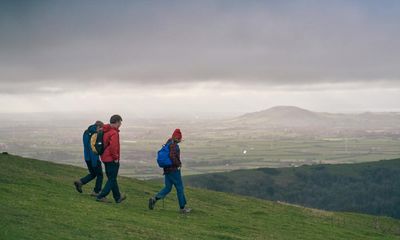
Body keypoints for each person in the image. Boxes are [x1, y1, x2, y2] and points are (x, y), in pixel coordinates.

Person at [149, 129, 191, 214]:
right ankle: (182, 208)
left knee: (168, 188)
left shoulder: (168, 143)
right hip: (174, 170)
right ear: (177, 138)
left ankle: (155, 199)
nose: (180, 141)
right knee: (180, 188)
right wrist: (179, 164)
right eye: (180, 139)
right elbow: (172, 157)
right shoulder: (174, 146)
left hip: (167, 170)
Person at [96, 115, 126, 203]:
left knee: (111, 178)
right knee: (112, 178)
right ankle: (101, 196)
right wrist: (116, 158)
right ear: (116, 122)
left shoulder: (105, 130)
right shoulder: (113, 133)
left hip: (105, 158)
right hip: (111, 159)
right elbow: (113, 147)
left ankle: (117, 197)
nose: (120, 124)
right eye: (120, 122)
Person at [74, 121, 104, 196]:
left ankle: (80, 182)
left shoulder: (86, 132)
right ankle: (96, 191)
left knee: (93, 174)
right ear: (98, 127)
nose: (101, 131)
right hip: (94, 158)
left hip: (87, 158)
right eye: (101, 129)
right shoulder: (95, 134)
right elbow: (94, 148)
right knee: (100, 175)